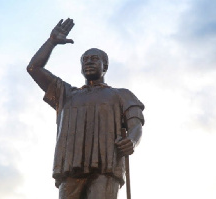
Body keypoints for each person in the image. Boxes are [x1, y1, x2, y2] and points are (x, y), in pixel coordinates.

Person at [27, 18, 144, 199]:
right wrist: (51, 42)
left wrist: (132, 140)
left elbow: (135, 123)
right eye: (85, 60)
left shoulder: (121, 94)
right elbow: (34, 68)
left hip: (106, 166)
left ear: (105, 66)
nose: (88, 62)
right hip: (70, 168)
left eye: (94, 59)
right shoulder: (65, 94)